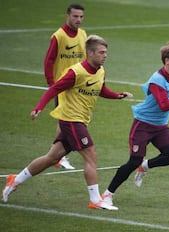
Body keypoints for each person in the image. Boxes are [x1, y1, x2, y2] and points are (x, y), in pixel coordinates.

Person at [2, 35, 133, 210]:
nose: (105, 55)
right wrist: (39, 107)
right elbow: (55, 88)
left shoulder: (100, 71)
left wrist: (117, 95)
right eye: (101, 52)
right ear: (90, 53)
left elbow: (101, 89)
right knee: (91, 154)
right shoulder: (76, 72)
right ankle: (95, 199)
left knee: (52, 157)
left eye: (106, 52)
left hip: (80, 121)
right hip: (71, 120)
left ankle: (14, 180)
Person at [101, 43, 169, 206]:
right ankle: (107, 195)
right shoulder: (157, 80)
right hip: (143, 125)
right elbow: (164, 105)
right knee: (133, 161)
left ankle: (145, 166)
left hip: (160, 126)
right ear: (167, 61)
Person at [44, 3, 88, 169]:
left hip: (79, 86)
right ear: (67, 16)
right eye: (75, 16)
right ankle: (57, 155)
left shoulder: (83, 34)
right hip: (64, 87)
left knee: (73, 119)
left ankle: (57, 154)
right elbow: (49, 60)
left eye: (81, 17)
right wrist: (52, 84)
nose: (78, 20)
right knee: (66, 120)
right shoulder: (59, 36)